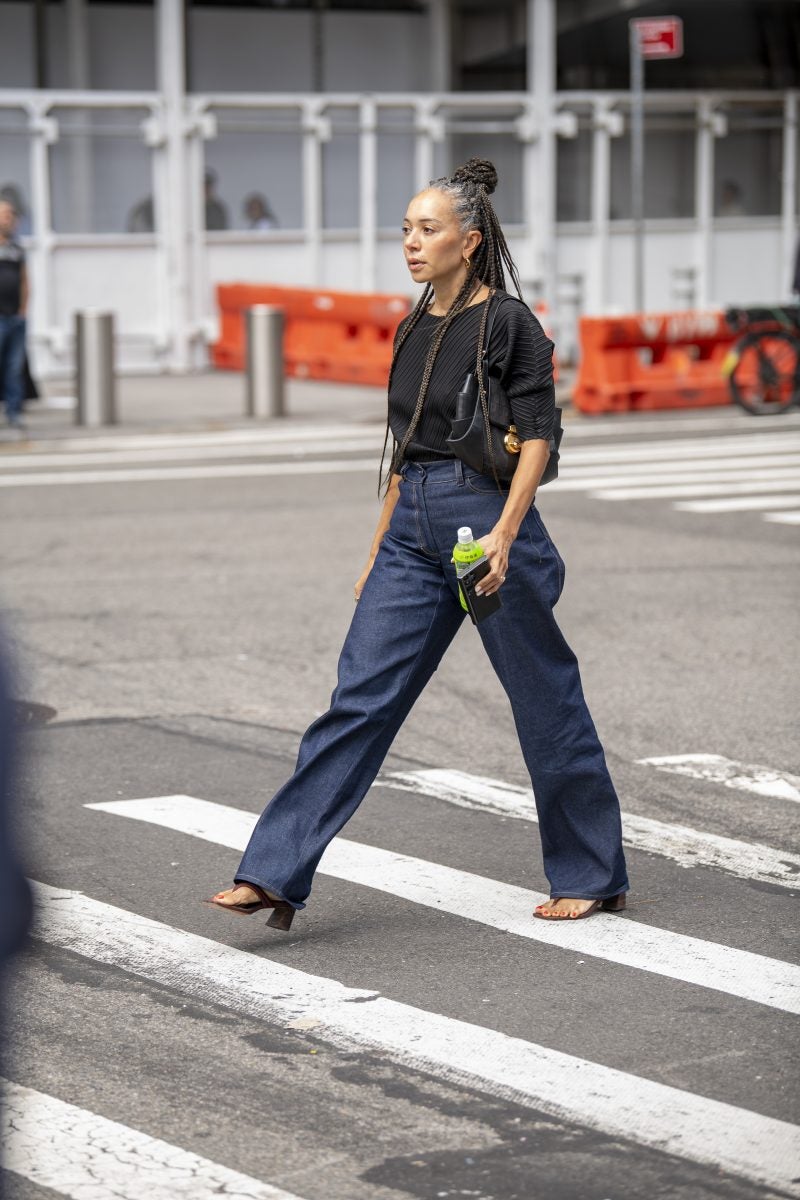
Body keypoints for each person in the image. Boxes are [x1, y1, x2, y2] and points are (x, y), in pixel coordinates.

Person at [207, 157, 630, 928]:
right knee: (358, 700)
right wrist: (378, 546)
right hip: (413, 529)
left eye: (427, 229)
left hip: (483, 521)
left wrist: (506, 532)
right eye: (405, 229)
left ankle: (594, 872)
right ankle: (273, 872)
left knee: (544, 700)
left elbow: (538, 435)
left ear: (468, 242)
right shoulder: (412, 326)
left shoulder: (508, 322)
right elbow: (404, 446)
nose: (410, 242)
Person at [0, 200, 28, 432]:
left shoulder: (16, 248)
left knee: (14, 368)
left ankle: (14, 412)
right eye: (4, 214)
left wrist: (23, 310)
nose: (8, 219)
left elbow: (25, 280)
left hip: (15, 318)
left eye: (10, 215)